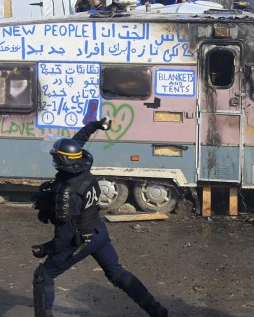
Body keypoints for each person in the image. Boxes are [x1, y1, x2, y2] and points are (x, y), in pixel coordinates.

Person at [31, 118, 168, 317]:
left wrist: (47, 248)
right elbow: (77, 144)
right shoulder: (83, 168)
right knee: (117, 273)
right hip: (99, 232)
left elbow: (64, 235)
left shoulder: (66, 192)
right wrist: (94, 126)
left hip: (81, 240)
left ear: (61, 162)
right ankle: (158, 312)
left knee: (43, 276)